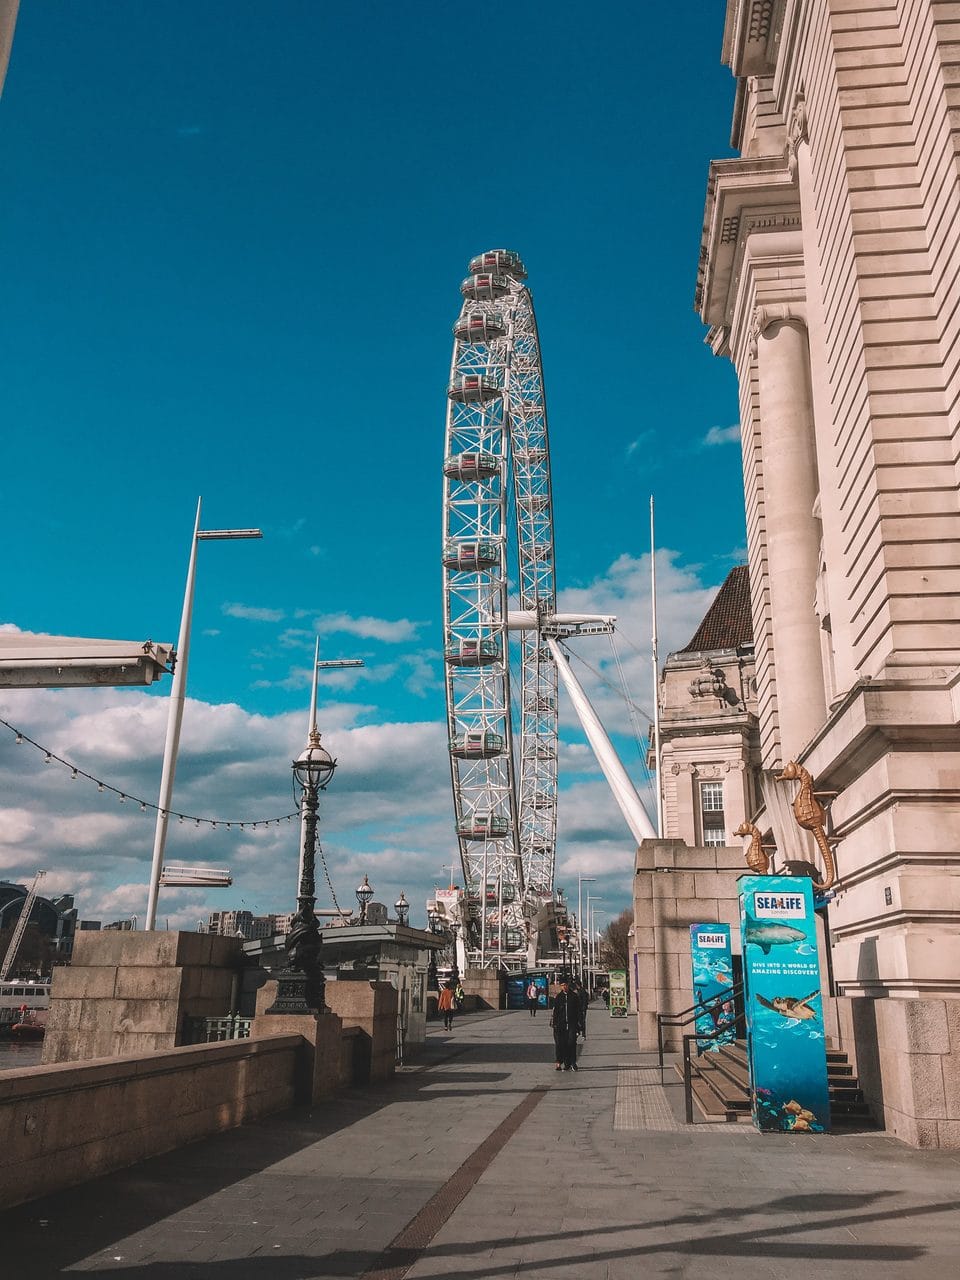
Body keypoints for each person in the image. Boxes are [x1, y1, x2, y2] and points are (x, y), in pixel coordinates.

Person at [550, 978, 579, 1071]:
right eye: (562, 985)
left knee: (572, 1043)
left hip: (572, 1024)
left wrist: (580, 1025)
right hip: (561, 1025)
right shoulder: (559, 997)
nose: (564, 987)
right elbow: (556, 1012)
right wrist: (555, 1024)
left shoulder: (574, 996)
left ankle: (573, 1062)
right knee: (563, 1044)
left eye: (565, 985)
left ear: (568, 985)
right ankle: (566, 1063)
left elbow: (578, 1011)